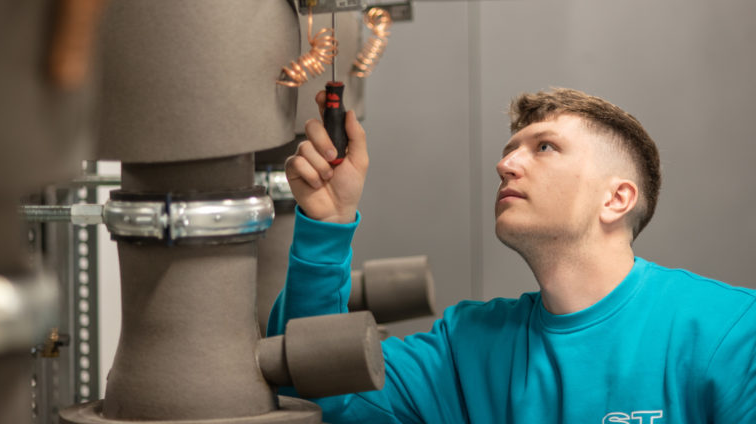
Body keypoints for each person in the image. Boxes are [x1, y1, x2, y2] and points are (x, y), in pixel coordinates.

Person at [268, 87, 756, 423]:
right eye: (509, 149)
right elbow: (315, 384)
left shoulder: (730, 332)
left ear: (617, 199)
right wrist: (327, 225)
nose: (505, 164)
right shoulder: (466, 347)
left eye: (544, 147)